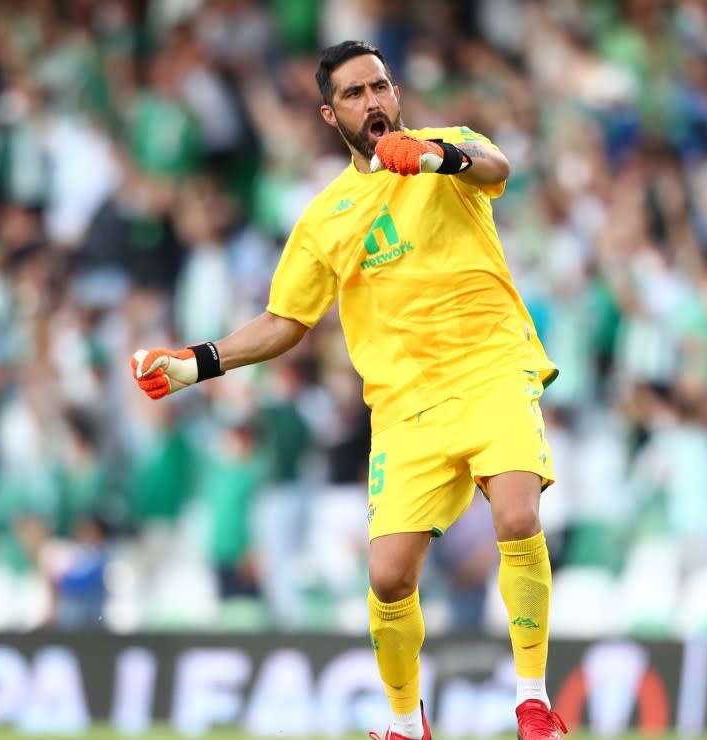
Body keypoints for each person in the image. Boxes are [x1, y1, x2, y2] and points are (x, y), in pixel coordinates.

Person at [129, 40, 566, 740]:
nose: (376, 102)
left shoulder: (446, 147)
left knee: (517, 514)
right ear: (332, 114)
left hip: (489, 367)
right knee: (389, 577)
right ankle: (403, 725)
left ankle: (533, 702)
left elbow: (498, 166)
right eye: (358, 94)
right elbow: (284, 321)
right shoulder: (325, 216)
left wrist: (436, 159)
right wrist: (198, 363)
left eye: (382, 86)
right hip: (404, 406)